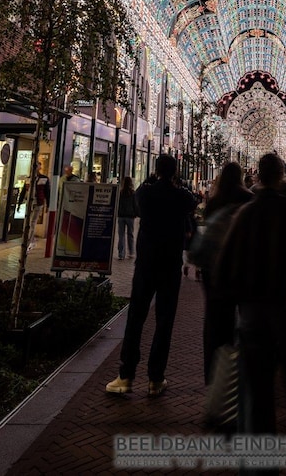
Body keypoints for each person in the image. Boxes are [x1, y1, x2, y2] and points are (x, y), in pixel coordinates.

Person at [215, 152, 286, 456]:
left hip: (253, 320)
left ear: (259, 176)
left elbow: (223, 271)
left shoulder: (245, 214)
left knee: (259, 398)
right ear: (281, 175)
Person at [105, 154, 198, 397]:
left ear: (156, 170)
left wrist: (154, 181)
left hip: (146, 264)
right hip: (170, 265)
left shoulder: (145, 193)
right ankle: (156, 379)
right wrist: (177, 184)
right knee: (164, 322)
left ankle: (125, 375)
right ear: (175, 172)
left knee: (136, 317)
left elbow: (138, 200)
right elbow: (192, 201)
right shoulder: (181, 196)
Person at [191, 161, 253, 384]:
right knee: (245, 319)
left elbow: (206, 231)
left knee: (215, 320)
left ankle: (213, 376)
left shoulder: (214, 201)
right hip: (241, 267)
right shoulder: (248, 198)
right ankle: (240, 374)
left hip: (214, 269)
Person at [18, 163, 50, 251]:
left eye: (37, 166)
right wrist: (20, 202)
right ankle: (29, 240)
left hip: (38, 203)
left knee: (32, 222)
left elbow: (47, 192)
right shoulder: (28, 179)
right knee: (27, 222)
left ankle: (30, 242)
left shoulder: (44, 179)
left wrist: (48, 204)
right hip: (29, 202)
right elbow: (24, 191)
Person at [117, 175, 138, 260]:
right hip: (130, 216)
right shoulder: (133, 193)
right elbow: (135, 204)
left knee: (121, 235)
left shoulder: (120, 193)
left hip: (121, 216)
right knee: (130, 234)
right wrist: (136, 213)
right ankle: (131, 252)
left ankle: (121, 254)